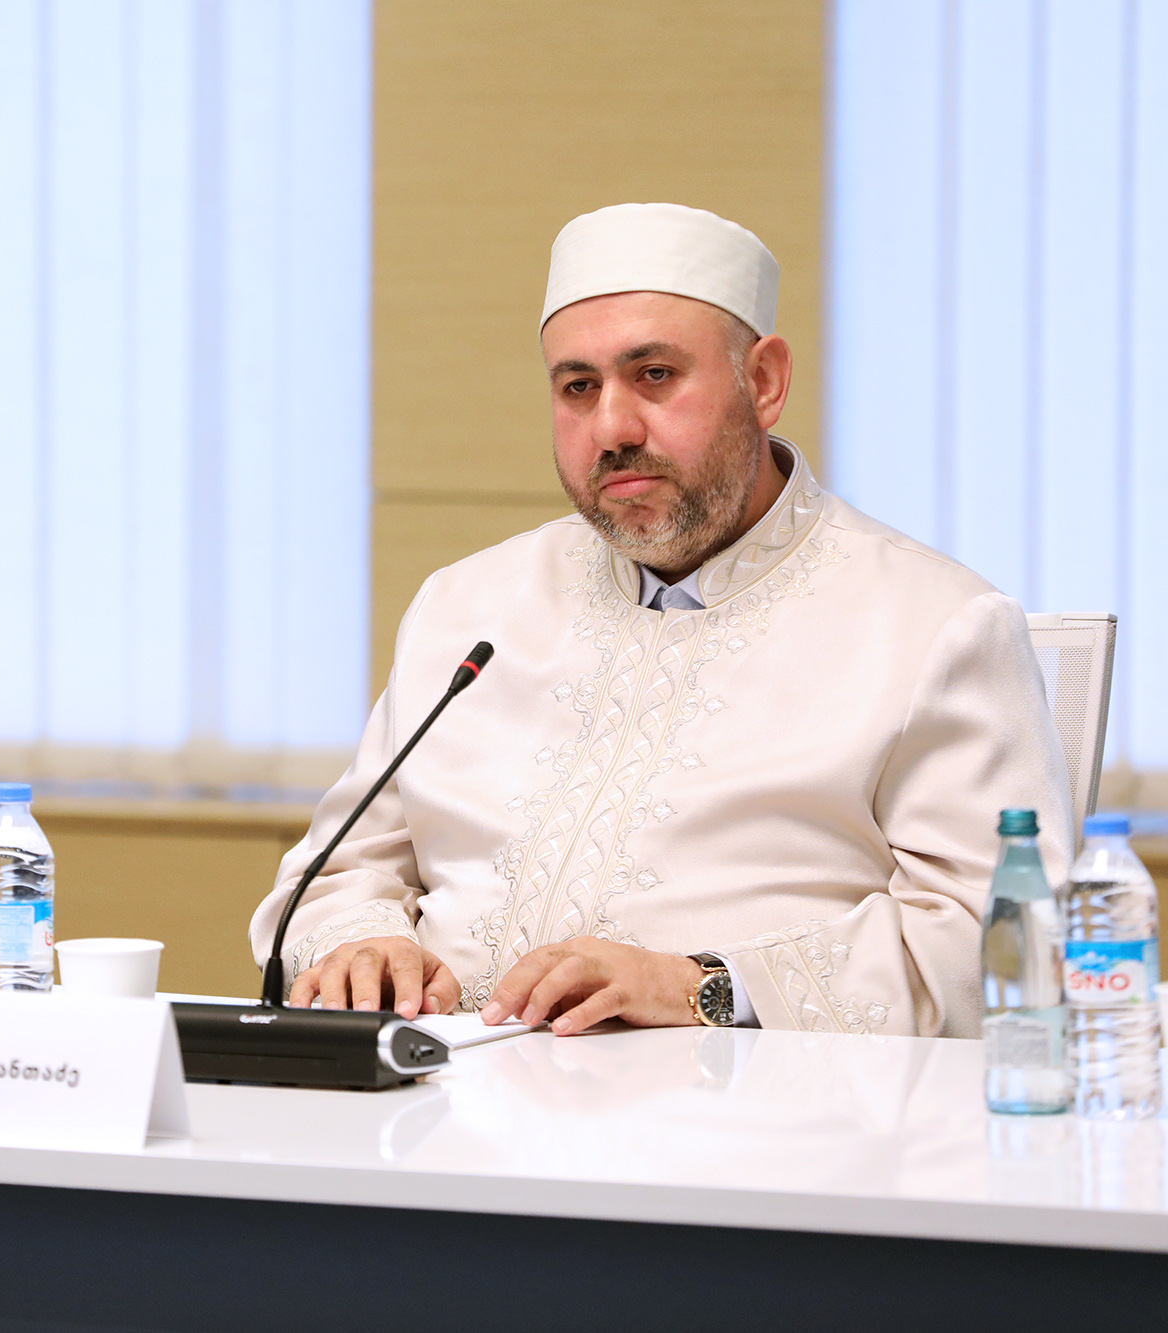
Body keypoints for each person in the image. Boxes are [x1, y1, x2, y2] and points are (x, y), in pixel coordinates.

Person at [251, 202, 1072, 1039]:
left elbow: (1006, 943)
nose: (612, 428)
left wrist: (702, 987)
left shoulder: (933, 624)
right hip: (437, 1095)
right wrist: (365, 946)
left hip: (746, 1109)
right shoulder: (466, 607)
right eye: (578, 387)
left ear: (764, 382)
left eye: (654, 375)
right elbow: (335, 874)